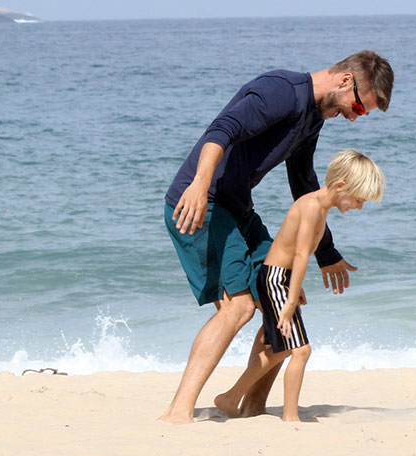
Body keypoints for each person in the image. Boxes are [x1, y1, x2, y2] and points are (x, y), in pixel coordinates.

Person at [159, 51, 394, 424]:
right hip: (201, 204)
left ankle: (252, 405)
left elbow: (304, 185)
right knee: (239, 307)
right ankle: (178, 412)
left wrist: (327, 253)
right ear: (346, 81)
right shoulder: (281, 91)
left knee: (281, 295)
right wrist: (200, 185)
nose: (354, 117)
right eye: (359, 108)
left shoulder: (311, 119)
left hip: (237, 210)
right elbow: (222, 129)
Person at [214, 150, 385, 421]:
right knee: (301, 350)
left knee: (280, 349)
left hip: (279, 279)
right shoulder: (311, 207)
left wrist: (292, 288)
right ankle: (290, 416)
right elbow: (301, 255)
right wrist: (289, 300)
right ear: (342, 186)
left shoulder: (321, 207)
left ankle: (231, 397)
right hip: (274, 280)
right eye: (359, 199)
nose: (359, 207)